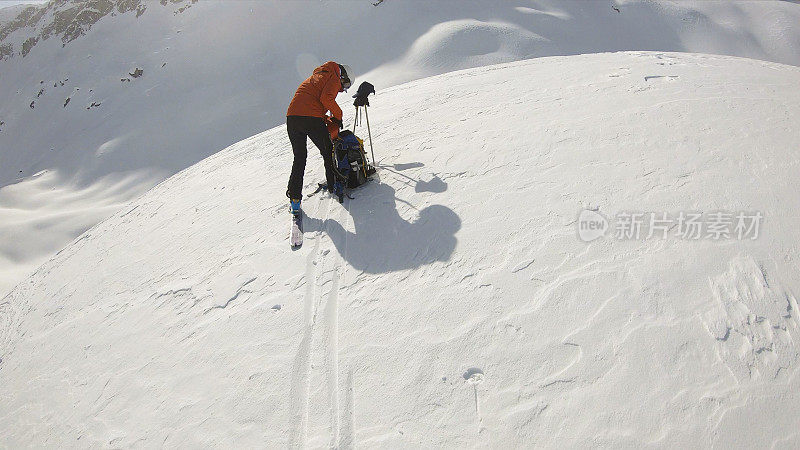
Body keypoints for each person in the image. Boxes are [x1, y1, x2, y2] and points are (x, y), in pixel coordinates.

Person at [286, 61, 352, 214]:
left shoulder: (317, 77)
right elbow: (326, 99)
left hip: (292, 118)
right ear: (343, 76)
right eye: (346, 84)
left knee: (299, 157)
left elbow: (312, 103)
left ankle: (295, 200)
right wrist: (338, 116)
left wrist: (326, 118)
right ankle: (333, 184)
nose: (343, 89)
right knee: (327, 150)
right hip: (311, 118)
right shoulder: (334, 76)